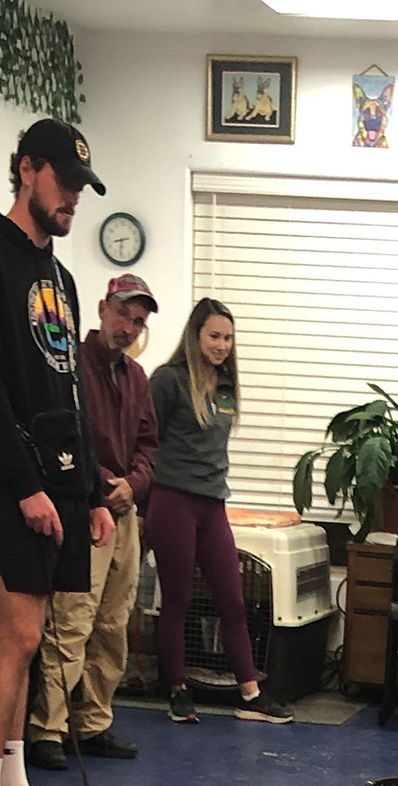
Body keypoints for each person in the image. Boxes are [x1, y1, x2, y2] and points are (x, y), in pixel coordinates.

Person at [0, 119, 116, 786]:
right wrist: (23, 488)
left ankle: (15, 783)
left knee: (34, 632)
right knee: (14, 634)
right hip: (13, 479)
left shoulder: (59, 276)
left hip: (63, 479)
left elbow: (68, 389)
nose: (73, 198)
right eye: (64, 183)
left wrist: (96, 493)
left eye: (81, 188)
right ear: (26, 170)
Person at [30, 274, 159, 770]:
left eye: (139, 320)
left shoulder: (137, 378)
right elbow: (67, 439)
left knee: (112, 623)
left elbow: (149, 444)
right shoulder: (69, 368)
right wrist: (105, 483)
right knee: (72, 621)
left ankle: (93, 722)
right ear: (103, 308)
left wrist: (135, 483)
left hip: (125, 514)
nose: (130, 326)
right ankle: (48, 729)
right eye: (124, 313)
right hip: (84, 511)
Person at [146, 301, 292, 726]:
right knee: (177, 600)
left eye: (228, 338)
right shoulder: (168, 381)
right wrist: (142, 508)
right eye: (214, 336)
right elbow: (145, 442)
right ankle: (177, 689)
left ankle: (250, 693)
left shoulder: (227, 386)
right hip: (172, 500)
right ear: (195, 337)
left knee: (232, 600)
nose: (222, 346)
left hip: (212, 505)